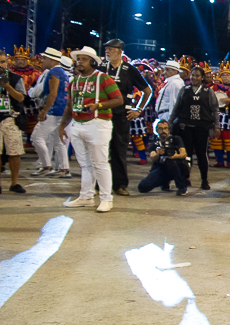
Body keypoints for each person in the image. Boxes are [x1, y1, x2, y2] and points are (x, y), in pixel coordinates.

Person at [59, 46, 123, 212]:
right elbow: (69, 106)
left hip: (98, 124)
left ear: (93, 62)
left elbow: (118, 99)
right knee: (85, 164)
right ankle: (86, 197)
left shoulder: (103, 79)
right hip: (77, 124)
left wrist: (99, 105)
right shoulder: (74, 81)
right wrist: (62, 126)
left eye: (83, 59)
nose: (79, 62)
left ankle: (106, 199)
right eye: (78, 59)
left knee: (100, 163)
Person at [99, 39, 152, 196]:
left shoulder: (129, 69)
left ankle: (120, 185)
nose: (107, 51)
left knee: (119, 151)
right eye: (106, 49)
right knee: (99, 151)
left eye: (110, 49)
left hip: (121, 116)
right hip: (101, 115)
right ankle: (98, 185)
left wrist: (138, 109)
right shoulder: (101, 67)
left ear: (120, 51)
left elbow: (147, 91)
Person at [169, 66, 219, 190]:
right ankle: (186, 178)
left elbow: (215, 109)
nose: (194, 78)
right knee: (187, 154)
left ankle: (204, 180)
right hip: (186, 127)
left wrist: (217, 126)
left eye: (197, 75)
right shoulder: (184, 90)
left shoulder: (208, 92)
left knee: (202, 154)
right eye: (192, 75)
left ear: (202, 77)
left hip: (202, 127)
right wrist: (170, 122)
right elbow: (177, 107)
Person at [28, 48, 69, 178]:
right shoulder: (63, 72)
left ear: (50, 60)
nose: (41, 61)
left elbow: (53, 94)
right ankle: (63, 168)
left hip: (53, 110)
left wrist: (44, 110)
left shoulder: (54, 72)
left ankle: (46, 166)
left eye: (44, 59)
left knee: (36, 137)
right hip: (62, 110)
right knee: (58, 140)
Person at [0, 50, 28, 194]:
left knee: (15, 152)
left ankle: (14, 183)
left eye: (3, 61)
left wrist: (7, 87)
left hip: (11, 118)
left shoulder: (16, 78)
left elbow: (21, 98)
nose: (2, 65)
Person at [137, 119, 188, 195]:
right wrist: (158, 154)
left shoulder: (176, 139)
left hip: (177, 166)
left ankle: (181, 187)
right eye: (160, 129)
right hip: (161, 168)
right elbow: (152, 157)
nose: (163, 131)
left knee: (170, 161)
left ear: (169, 129)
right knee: (142, 187)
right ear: (156, 130)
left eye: (165, 128)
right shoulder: (154, 143)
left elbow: (184, 154)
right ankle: (164, 182)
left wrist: (174, 156)